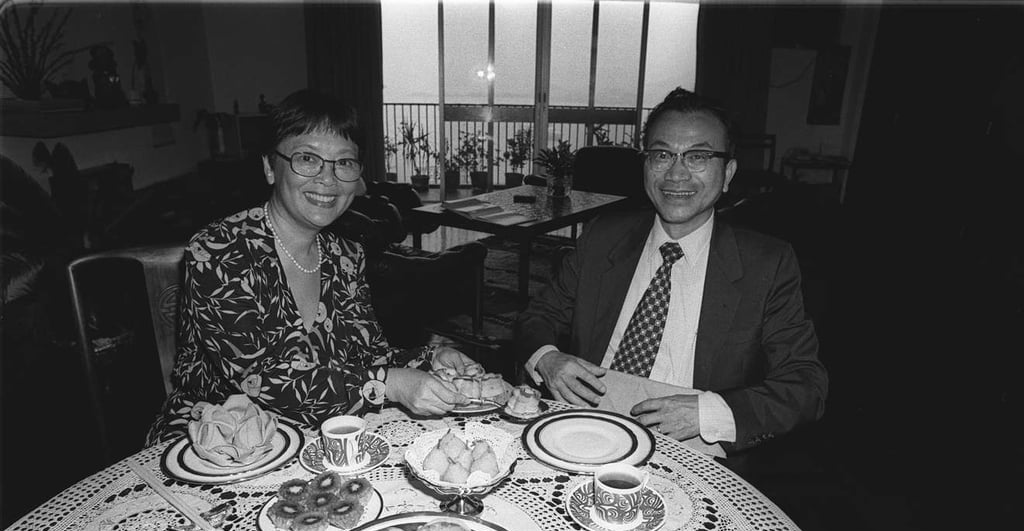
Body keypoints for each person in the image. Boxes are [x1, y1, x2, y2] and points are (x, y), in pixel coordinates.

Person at [147, 89, 473, 444]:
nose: (328, 180)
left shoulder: (346, 256)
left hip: (315, 434)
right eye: (307, 158)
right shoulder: (219, 251)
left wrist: (431, 358)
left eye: (344, 163)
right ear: (270, 167)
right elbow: (260, 381)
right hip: (213, 442)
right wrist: (390, 383)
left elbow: (371, 357)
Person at [516, 88, 827, 456]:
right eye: (662, 155)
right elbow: (538, 316)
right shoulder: (603, 236)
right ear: (646, 166)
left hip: (694, 451)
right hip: (588, 431)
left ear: (727, 173)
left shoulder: (767, 263)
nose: (676, 174)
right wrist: (548, 358)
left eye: (698, 156)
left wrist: (709, 413)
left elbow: (805, 385)